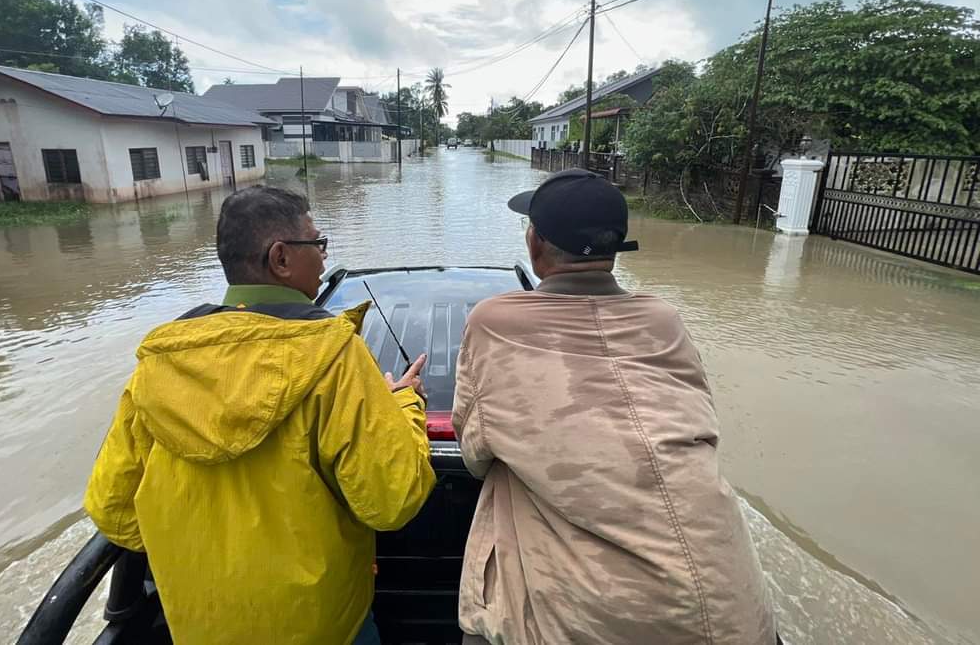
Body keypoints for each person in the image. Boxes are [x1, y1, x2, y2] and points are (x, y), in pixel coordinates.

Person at [84, 185, 435, 645]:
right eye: (318, 243)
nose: (325, 259)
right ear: (281, 258)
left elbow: (117, 516)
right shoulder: (334, 357)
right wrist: (405, 403)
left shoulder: (159, 365)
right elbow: (392, 501)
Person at [453, 169, 776, 645]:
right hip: (728, 605)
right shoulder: (663, 319)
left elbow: (476, 455)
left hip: (594, 618)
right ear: (614, 249)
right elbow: (698, 423)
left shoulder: (495, 321)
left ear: (535, 244)